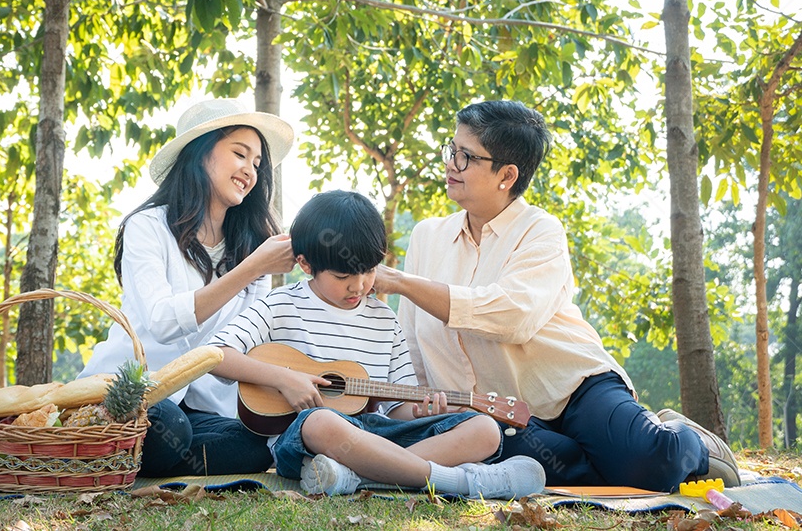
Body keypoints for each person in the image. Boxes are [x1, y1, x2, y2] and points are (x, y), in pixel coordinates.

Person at [372, 99, 740, 491]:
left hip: (573, 386)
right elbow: (413, 340)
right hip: (498, 415)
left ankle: (688, 441)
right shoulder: (427, 236)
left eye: (466, 157)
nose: (450, 164)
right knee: (542, 470)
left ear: (506, 175)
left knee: (648, 465)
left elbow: (510, 317)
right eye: (451, 150)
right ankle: (620, 450)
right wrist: (416, 404)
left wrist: (400, 282)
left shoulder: (540, 231)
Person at [209, 190, 546, 497]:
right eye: (343, 277)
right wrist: (285, 378)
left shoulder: (384, 319)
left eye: (368, 271)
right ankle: (460, 482)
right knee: (321, 421)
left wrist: (422, 410)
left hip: (376, 437)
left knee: (485, 428)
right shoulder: (280, 304)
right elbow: (216, 356)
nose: (359, 286)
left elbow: (396, 410)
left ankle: (358, 478)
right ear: (305, 264)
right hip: (309, 442)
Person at [81, 97, 297, 476]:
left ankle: (111, 454)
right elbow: (164, 322)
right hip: (135, 391)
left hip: (202, 408)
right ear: (201, 155)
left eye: (257, 163)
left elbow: (241, 347)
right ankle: (91, 440)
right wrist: (250, 269)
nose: (250, 170)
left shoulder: (250, 249)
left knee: (254, 446)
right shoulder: (147, 227)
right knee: (166, 425)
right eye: (240, 154)